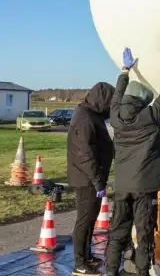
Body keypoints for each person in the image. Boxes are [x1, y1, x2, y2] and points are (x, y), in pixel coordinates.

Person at [105, 42, 160, 276]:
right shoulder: (150, 116)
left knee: (118, 229)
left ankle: (109, 270)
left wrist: (124, 71)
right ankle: (142, 271)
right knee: (144, 230)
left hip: (122, 185)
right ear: (143, 102)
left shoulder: (115, 115)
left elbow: (117, 95)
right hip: (144, 187)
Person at [67, 81, 115, 276]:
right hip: (86, 179)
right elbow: (84, 154)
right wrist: (97, 181)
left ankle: (86, 255)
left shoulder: (92, 115)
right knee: (84, 221)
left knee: (91, 219)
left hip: (92, 179)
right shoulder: (85, 119)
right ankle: (79, 262)